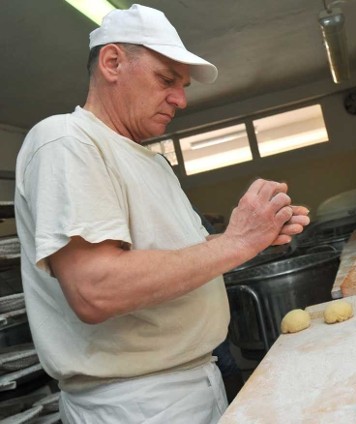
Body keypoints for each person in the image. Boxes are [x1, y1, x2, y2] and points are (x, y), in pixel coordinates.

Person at [14, 4, 309, 423]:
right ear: (112, 62)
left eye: (182, 85)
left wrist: (255, 236)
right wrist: (236, 241)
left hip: (191, 380)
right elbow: (96, 289)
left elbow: (178, 255)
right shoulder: (66, 141)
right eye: (166, 80)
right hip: (135, 402)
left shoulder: (150, 162)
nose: (181, 99)